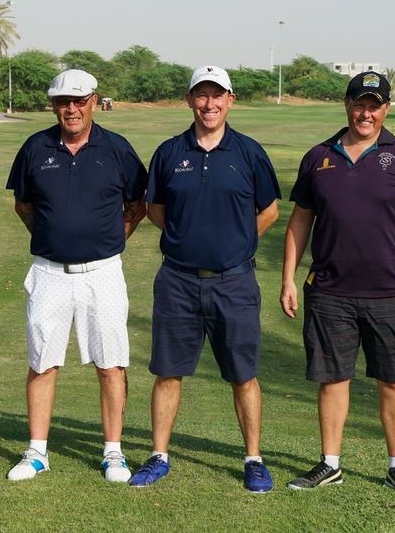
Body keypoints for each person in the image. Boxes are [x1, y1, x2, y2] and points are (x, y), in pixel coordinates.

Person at [280, 71, 395, 496]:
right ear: (346, 105)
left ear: (386, 109)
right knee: (332, 379)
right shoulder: (319, 157)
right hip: (329, 291)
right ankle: (330, 463)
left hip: (391, 292)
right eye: (359, 104)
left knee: (393, 380)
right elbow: (300, 220)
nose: (365, 113)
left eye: (374, 106)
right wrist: (288, 278)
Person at [128, 66, 281, 492]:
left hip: (235, 282)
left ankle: (253, 459)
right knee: (168, 372)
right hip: (177, 280)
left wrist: (236, 244)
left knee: (243, 374)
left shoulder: (249, 153)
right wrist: (188, 239)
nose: (209, 104)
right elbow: (156, 210)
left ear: (230, 100)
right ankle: (159, 455)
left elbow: (269, 211)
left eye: (217, 95)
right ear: (189, 100)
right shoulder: (169, 152)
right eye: (201, 95)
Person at [5, 69, 148, 483]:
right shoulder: (35, 147)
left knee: (111, 363)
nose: (71, 109)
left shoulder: (117, 148)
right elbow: (24, 206)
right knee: (42, 361)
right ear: (54, 105)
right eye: (63, 101)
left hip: (103, 273)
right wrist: (54, 239)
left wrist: (109, 240)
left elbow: (137, 205)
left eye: (79, 101)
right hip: (49, 272)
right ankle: (37, 451)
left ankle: (113, 452)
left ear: (94, 102)